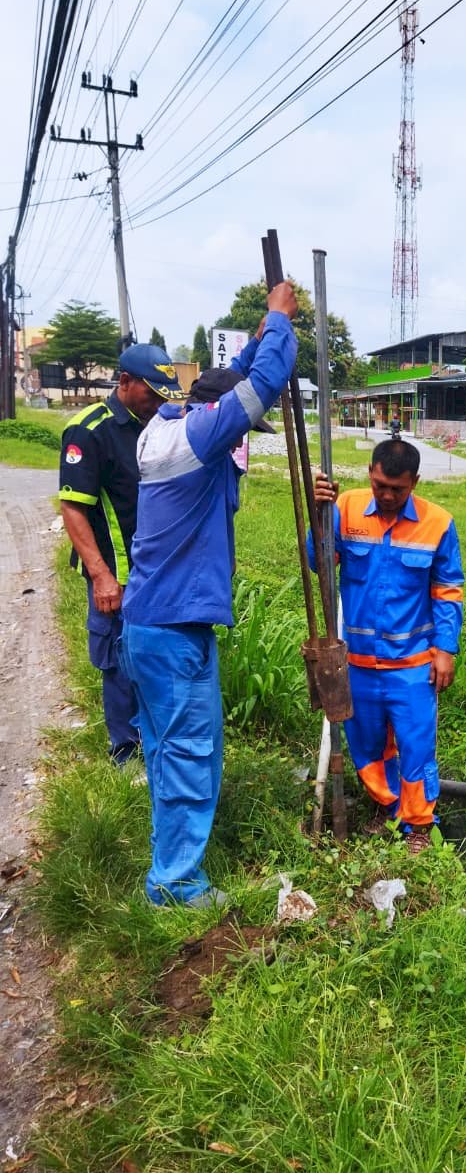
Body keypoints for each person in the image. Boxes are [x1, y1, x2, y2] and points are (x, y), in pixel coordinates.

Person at [118, 282, 298, 908]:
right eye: (242, 435)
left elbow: (233, 381)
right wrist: (278, 322)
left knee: (185, 753)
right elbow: (260, 386)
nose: (244, 444)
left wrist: (253, 340)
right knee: (187, 756)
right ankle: (173, 884)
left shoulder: (171, 431)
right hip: (170, 631)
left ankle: (175, 863)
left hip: (167, 627)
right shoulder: (193, 441)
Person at [311, 439, 464, 853]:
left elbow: (448, 590)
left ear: (414, 481)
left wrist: (445, 650)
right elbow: (318, 562)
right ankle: (386, 805)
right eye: (380, 485)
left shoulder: (438, 523)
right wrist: (319, 515)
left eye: (398, 488)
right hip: (357, 664)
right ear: (370, 473)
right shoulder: (344, 508)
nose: (387, 495)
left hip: (412, 665)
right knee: (367, 745)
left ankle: (417, 827)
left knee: (416, 747)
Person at [59, 343, 186, 765]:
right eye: (151, 394)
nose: (158, 402)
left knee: (151, 656)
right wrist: (100, 575)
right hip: (115, 572)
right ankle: (126, 752)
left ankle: (154, 739)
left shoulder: (159, 425)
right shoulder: (90, 430)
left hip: (155, 570)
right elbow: (74, 508)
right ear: (125, 382)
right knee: (116, 659)